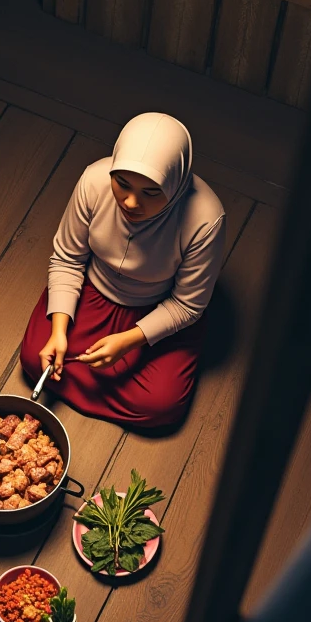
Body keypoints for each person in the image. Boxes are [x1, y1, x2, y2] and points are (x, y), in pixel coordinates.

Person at [20, 112, 225, 429]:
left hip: (156, 312)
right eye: (122, 183)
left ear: (176, 181)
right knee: (37, 358)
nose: (130, 202)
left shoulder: (205, 219)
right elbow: (67, 259)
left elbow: (188, 304)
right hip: (91, 292)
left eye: (151, 192)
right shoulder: (94, 180)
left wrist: (129, 341)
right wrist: (59, 332)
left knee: (159, 404)